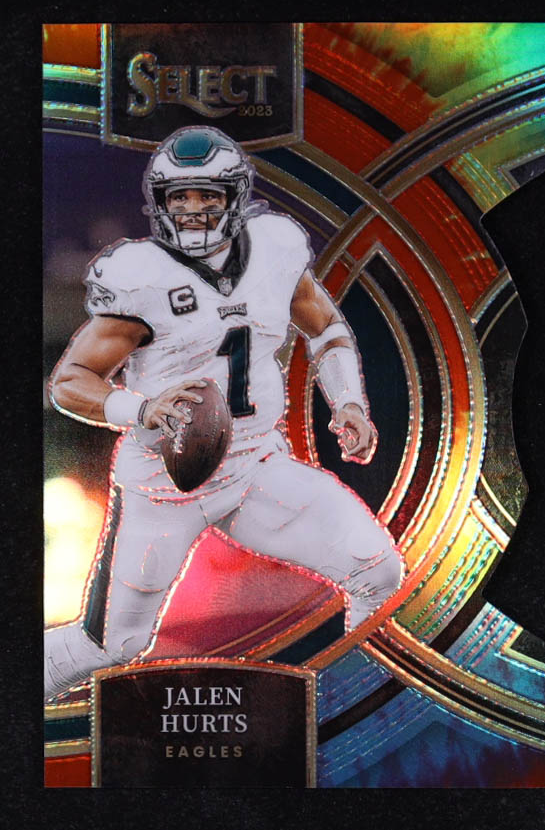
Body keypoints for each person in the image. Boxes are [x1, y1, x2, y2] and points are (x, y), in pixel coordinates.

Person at [44, 126, 404, 701]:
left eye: (207, 194)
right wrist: (142, 407)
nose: (193, 208)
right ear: (161, 203)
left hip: (255, 465)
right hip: (165, 482)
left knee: (379, 573)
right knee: (111, 645)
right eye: (180, 197)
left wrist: (350, 402)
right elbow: (69, 382)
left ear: (235, 196)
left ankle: (352, 713)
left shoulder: (275, 249)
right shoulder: (141, 276)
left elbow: (327, 328)